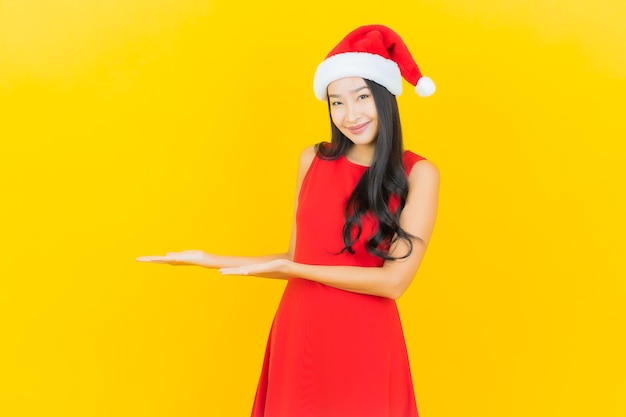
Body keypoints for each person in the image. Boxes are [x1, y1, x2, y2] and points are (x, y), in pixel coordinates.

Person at [138, 24, 439, 417]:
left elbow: (393, 282)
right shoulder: (312, 159)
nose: (350, 114)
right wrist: (210, 258)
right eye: (336, 102)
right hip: (300, 334)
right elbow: (295, 257)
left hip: (365, 342)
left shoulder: (419, 174)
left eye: (362, 96)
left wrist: (296, 268)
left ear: (384, 96)